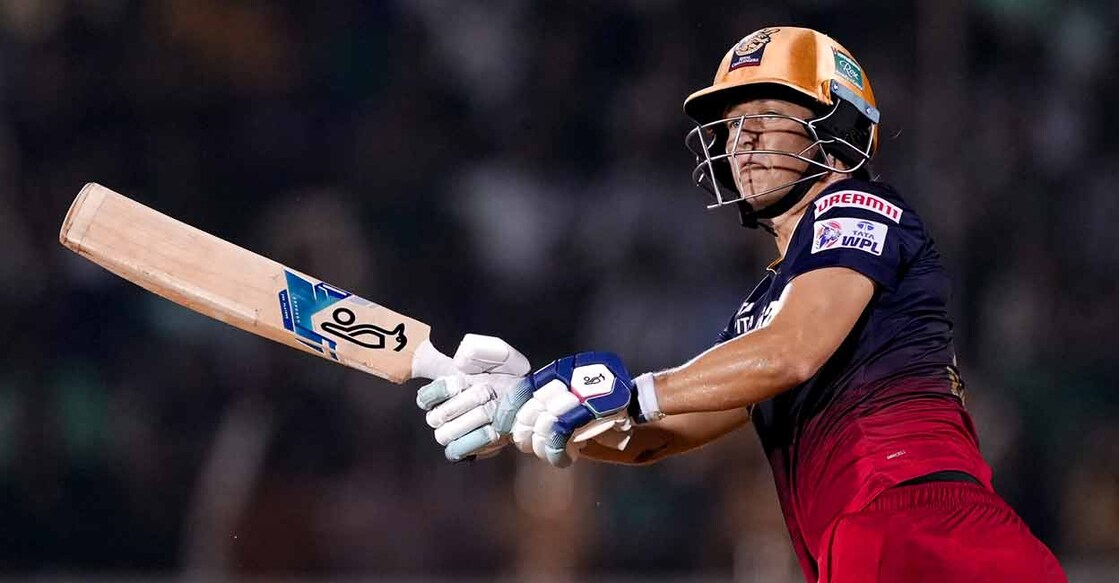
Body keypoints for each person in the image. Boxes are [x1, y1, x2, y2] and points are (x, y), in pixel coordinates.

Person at [415, 27, 1067, 582]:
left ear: (833, 129)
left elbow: (793, 351)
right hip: (881, 542)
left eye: (765, 117)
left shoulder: (858, 206)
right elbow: (655, 437)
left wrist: (630, 388)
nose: (741, 141)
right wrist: (532, 408)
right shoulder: (763, 309)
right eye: (731, 125)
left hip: (916, 528)